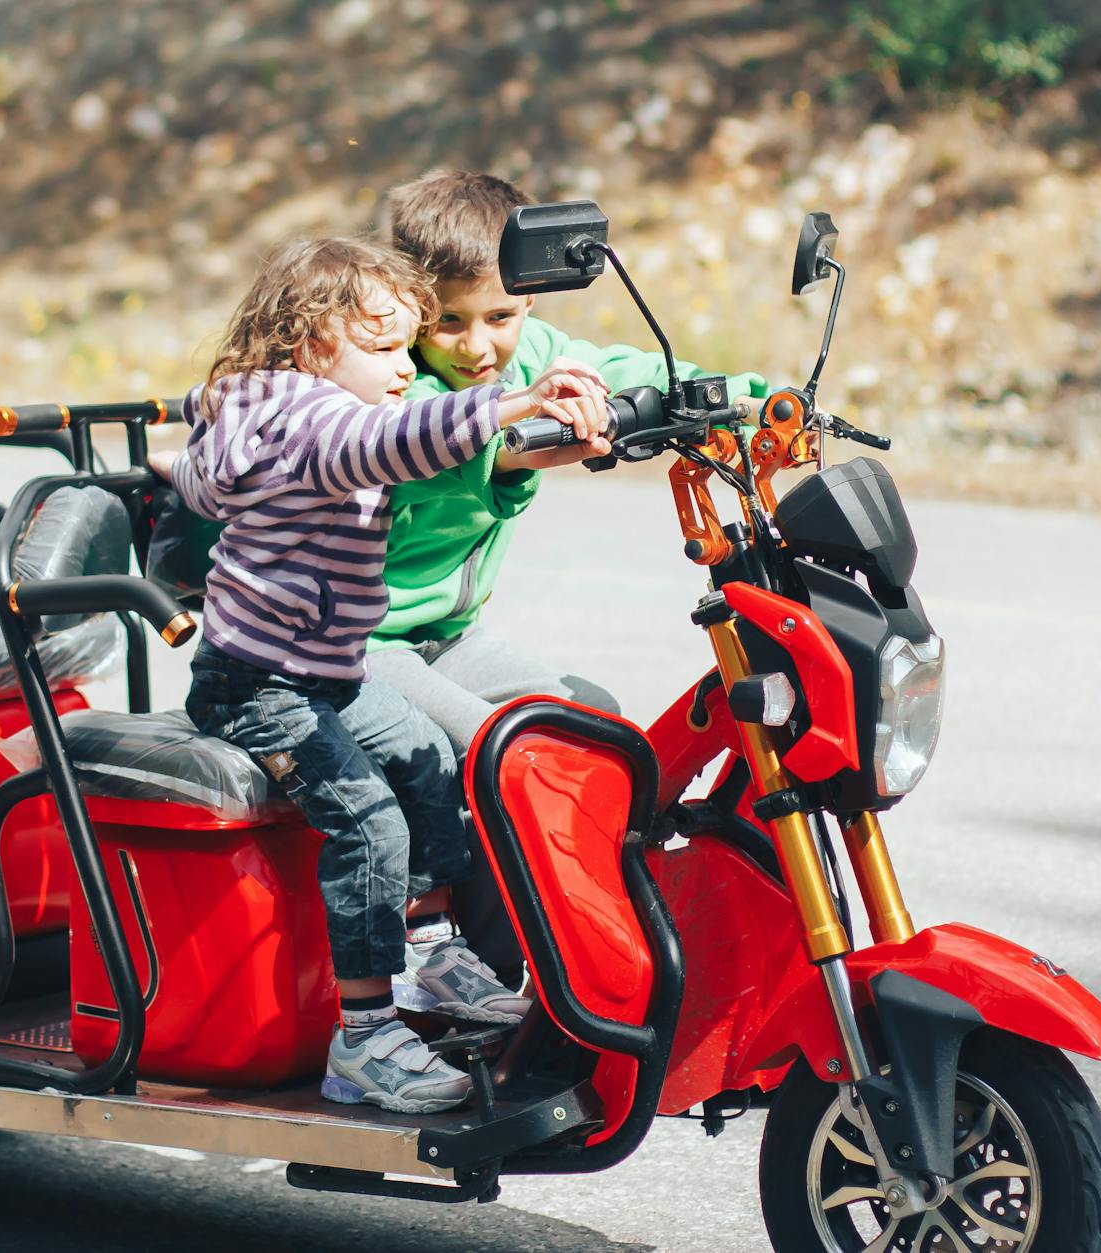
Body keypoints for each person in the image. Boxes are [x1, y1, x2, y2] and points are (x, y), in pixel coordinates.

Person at [148, 236, 610, 1114]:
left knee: (429, 755)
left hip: (328, 667)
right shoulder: (320, 425)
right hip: (258, 683)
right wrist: (511, 405)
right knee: (368, 824)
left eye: (408, 345)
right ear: (316, 346)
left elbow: (208, 479)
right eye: (386, 346)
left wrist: (183, 447)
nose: (406, 367)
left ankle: (432, 947)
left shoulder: (267, 406)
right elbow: (398, 439)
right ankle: (364, 1038)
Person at [370, 169, 771, 753]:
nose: (476, 347)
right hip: (365, 644)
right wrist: (523, 450)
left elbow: (633, 370)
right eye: (449, 321)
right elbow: (448, 446)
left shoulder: (537, 355)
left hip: (452, 639)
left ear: (529, 295)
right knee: (496, 749)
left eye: (499, 317)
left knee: (599, 724)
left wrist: (753, 397)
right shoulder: (397, 382)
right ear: (411, 309)